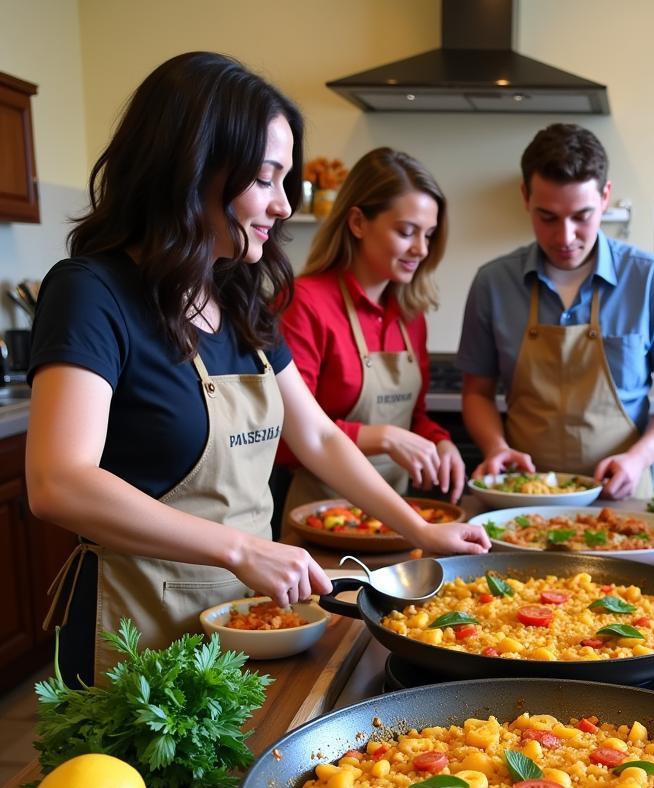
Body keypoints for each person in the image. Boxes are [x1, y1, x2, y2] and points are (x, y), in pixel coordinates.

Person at [25, 52, 488, 685]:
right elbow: (59, 482)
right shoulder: (91, 292)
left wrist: (421, 532)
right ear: (193, 169)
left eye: (285, 181)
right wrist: (241, 548)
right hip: (135, 630)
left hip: (248, 622)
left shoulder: (239, 295)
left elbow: (320, 436)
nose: (282, 204)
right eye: (267, 178)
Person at [456, 123, 654, 500]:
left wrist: (638, 458)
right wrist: (495, 448)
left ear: (605, 197)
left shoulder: (650, 279)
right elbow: (477, 393)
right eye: (548, 217)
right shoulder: (494, 283)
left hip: (621, 495)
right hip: (522, 496)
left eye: (581, 216)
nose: (565, 237)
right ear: (525, 197)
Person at [276, 147, 466, 515]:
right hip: (319, 521)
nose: (421, 249)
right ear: (358, 222)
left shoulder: (411, 314)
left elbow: (415, 419)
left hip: (398, 519)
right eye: (406, 232)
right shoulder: (304, 304)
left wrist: (440, 441)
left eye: (429, 235)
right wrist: (383, 438)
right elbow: (280, 440)